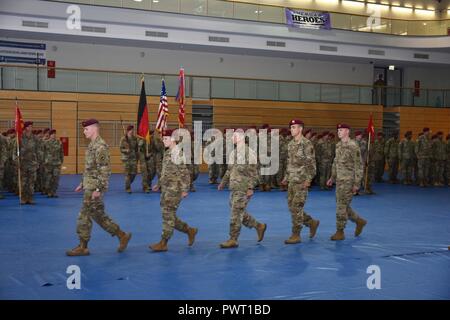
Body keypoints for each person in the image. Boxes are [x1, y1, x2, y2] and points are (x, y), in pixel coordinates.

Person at [66, 119, 132, 256]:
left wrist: (98, 189)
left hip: (94, 188)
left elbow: (105, 170)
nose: (84, 132)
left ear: (94, 129)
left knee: (83, 216)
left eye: (86, 129)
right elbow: (90, 168)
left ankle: (83, 247)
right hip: (90, 185)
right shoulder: (92, 145)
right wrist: (82, 183)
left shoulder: (100, 147)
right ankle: (122, 235)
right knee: (98, 215)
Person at [150, 129, 198, 252]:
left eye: (165, 139)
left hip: (174, 189)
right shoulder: (168, 152)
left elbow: (185, 173)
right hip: (166, 188)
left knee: (167, 214)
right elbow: (166, 172)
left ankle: (163, 242)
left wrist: (184, 190)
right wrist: (159, 184)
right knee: (169, 216)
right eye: (163, 138)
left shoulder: (177, 153)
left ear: (172, 139)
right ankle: (189, 230)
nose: (163, 141)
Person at [218, 128, 266, 248]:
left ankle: (233, 239)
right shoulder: (233, 152)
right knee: (238, 211)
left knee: (235, 213)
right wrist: (223, 182)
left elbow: (254, 173)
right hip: (234, 187)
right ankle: (258, 226)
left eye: (234, 136)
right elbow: (229, 170)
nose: (232, 138)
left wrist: (250, 188)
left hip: (243, 188)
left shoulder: (249, 153)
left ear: (241, 137)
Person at [281, 119, 320, 244]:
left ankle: (296, 234)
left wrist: (308, 180)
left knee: (296, 208)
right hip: (292, 180)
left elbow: (312, 164)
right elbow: (290, 162)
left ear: (300, 129)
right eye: (291, 127)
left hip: (302, 181)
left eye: (294, 127)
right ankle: (311, 222)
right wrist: (286, 177)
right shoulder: (291, 144)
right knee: (292, 208)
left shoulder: (306, 144)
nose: (291, 129)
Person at [327, 123, 367, 241]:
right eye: (338, 130)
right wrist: (332, 177)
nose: (338, 131)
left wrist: (356, 184)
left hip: (348, 181)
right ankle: (359, 221)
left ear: (347, 132)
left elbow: (359, 166)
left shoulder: (353, 146)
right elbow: (336, 162)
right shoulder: (338, 145)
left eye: (341, 130)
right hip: (339, 180)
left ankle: (340, 232)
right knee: (343, 205)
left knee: (341, 206)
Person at [44, 129, 64, 197]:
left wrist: (61, 160)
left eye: (55, 134)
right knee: (48, 178)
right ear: (50, 135)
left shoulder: (59, 142)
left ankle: (53, 192)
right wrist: (44, 161)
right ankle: (49, 192)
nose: (54, 135)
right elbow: (42, 152)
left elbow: (61, 152)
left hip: (56, 163)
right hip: (48, 163)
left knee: (56, 178)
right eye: (52, 134)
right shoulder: (46, 142)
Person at [119, 125, 138, 193]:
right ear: (128, 130)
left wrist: (137, 157)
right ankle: (128, 188)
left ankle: (128, 183)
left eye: (132, 130)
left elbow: (136, 149)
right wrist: (126, 150)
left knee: (134, 173)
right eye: (130, 130)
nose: (131, 131)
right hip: (126, 158)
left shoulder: (135, 138)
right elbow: (121, 149)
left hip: (133, 158)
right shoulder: (123, 139)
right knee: (127, 174)